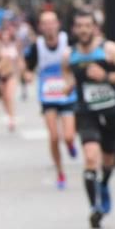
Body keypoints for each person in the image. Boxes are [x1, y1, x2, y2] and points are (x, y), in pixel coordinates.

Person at [62, 10, 115, 229]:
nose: (84, 30)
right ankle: (94, 208)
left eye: (88, 25)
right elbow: (67, 74)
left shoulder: (109, 50)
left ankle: (104, 184)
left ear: (95, 28)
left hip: (112, 111)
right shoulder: (69, 55)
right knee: (90, 158)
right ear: (74, 29)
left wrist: (107, 77)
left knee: (108, 161)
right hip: (86, 112)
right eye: (79, 26)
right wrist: (68, 84)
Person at [24, 11, 78, 189]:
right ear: (40, 27)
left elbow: (79, 59)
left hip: (67, 93)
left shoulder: (68, 41)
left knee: (69, 136)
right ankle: (60, 172)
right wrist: (28, 74)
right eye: (45, 23)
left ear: (58, 24)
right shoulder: (37, 46)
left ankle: (70, 145)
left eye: (52, 22)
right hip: (48, 96)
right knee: (54, 136)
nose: (49, 26)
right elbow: (27, 66)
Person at [0, 24, 21, 131]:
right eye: (4, 35)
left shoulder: (14, 45)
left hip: (11, 75)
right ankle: (9, 115)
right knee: (4, 98)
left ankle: (12, 118)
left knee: (9, 96)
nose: (5, 37)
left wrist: (21, 72)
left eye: (7, 35)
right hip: (0, 75)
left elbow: (18, 60)